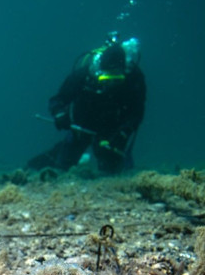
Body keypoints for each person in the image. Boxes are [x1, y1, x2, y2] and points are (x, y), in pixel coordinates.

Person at [28, 32, 146, 174]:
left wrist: (123, 133)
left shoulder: (134, 79)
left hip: (114, 132)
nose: (111, 85)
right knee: (61, 166)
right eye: (106, 79)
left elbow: (137, 112)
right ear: (99, 73)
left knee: (111, 172)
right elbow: (57, 100)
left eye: (117, 80)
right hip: (81, 126)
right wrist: (59, 114)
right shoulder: (83, 75)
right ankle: (43, 161)